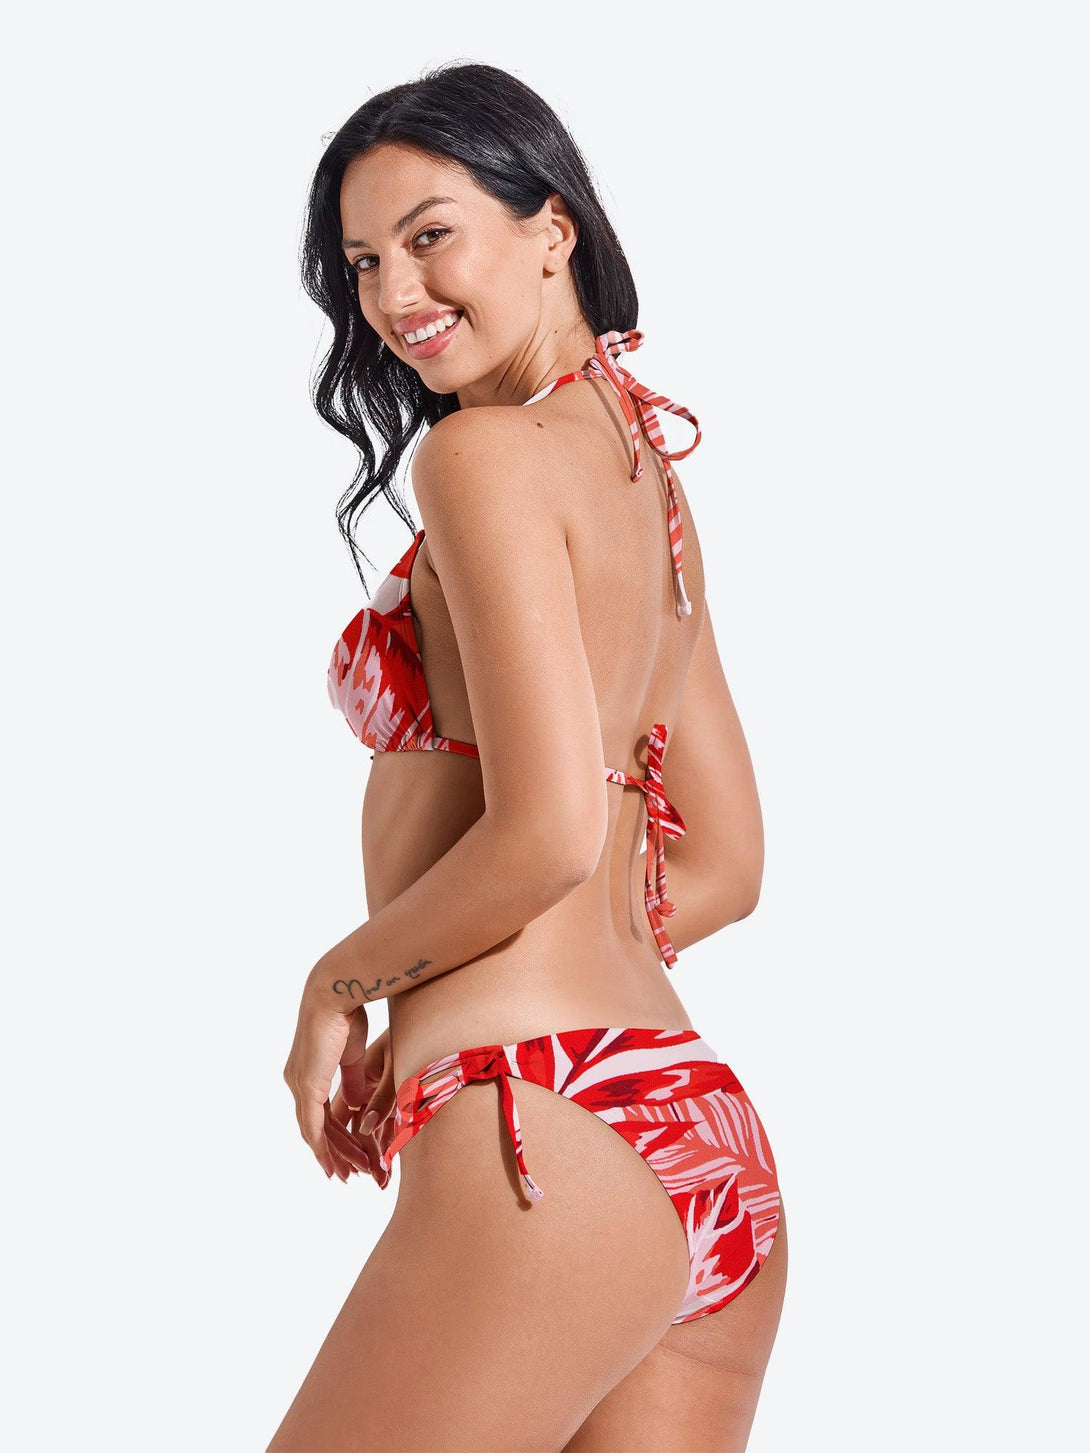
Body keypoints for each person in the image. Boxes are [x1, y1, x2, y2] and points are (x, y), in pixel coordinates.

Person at [270, 61, 788, 1453]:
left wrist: (345, 982)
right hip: (689, 1126)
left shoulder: (482, 456)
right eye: (362, 262)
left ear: (551, 228)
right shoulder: (645, 475)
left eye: (429, 236)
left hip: (535, 1124)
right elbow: (726, 863)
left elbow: (549, 829)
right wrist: (527, 952)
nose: (394, 294)